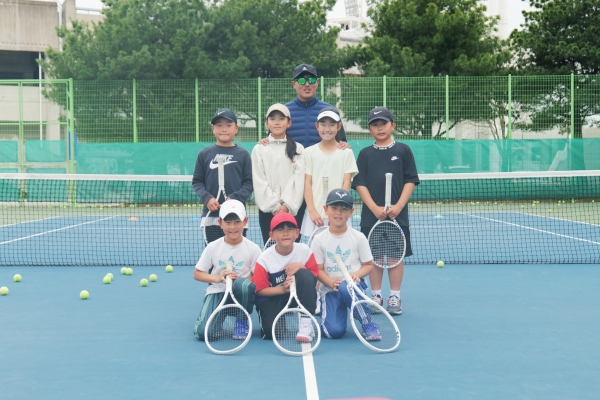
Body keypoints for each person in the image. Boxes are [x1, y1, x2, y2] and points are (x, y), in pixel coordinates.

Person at [259, 64, 351, 232]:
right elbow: (273, 138)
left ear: (317, 82)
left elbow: (341, 142)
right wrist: (264, 141)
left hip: (317, 185)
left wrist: (344, 145)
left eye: (311, 79)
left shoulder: (329, 110)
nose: (307, 84)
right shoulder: (285, 111)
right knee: (289, 234)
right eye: (301, 80)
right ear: (294, 84)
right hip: (292, 185)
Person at [352, 107, 420, 315]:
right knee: (373, 257)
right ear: (370, 129)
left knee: (394, 257)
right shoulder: (365, 154)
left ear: (393, 125)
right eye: (375, 125)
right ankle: (376, 295)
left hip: (397, 216)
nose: (379, 128)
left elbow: (410, 180)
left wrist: (398, 206)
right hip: (370, 216)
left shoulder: (403, 151)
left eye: (383, 123)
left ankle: (395, 297)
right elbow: (359, 183)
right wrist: (374, 208)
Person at [311, 189, 379, 340]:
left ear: (351, 212)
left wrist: (356, 275)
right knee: (333, 332)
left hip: (354, 287)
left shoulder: (359, 237)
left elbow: (369, 265)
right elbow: (318, 270)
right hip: (329, 290)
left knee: (346, 287)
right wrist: (330, 282)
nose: (338, 213)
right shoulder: (319, 240)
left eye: (344, 209)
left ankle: (367, 322)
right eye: (334, 208)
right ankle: (331, 316)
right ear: (325, 209)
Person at [192, 200, 261, 341]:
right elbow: (197, 274)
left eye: (237, 222)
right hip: (217, 292)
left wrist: (239, 281)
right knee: (203, 333)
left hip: (240, 294)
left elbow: (258, 277)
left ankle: (242, 320)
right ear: (220, 223)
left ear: (245, 221)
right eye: (228, 222)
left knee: (243, 285)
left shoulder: (253, 249)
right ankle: (218, 317)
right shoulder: (213, 247)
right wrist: (218, 278)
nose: (232, 227)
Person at [253, 213, 319, 341]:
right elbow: (259, 290)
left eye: (290, 229)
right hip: (272, 299)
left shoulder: (304, 251)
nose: (285, 233)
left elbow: (313, 278)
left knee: (305, 274)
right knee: (273, 334)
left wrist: (301, 266)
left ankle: (306, 323)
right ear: (271, 235)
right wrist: (282, 289)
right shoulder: (264, 259)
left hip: (295, 296)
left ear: (297, 233)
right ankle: (276, 320)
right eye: (280, 229)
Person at [192, 108, 253, 243]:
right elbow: (197, 182)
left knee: (237, 252)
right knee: (214, 253)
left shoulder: (243, 155)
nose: (224, 129)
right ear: (213, 128)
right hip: (211, 217)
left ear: (236, 128)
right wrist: (207, 198)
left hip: (236, 216)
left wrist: (234, 198)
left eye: (228, 125)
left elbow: (249, 183)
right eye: (219, 125)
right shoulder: (204, 154)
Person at [251, 104, 305, 245]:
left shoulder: (298, 149)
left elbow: (298, 180)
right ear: (266, 123)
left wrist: (287, 206)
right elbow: (259, 180)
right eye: (273, 118)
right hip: (267, 211)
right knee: (271, 250)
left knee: (292, 249)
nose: (277, 122)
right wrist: (274, 206)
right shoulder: (259, 149)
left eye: (281, 118)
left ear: (289, 123)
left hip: (292, 210)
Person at [302, 108, 358, 237]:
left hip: (339, 214)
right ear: (317, 126)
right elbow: (307, 183)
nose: (327, 129)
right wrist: (312, 210)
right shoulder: (308, 153)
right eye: (323, 124)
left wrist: (338, 211)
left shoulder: (346, 153)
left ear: (339, 126)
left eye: (332, 124)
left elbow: (346, 184)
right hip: (316, 215)